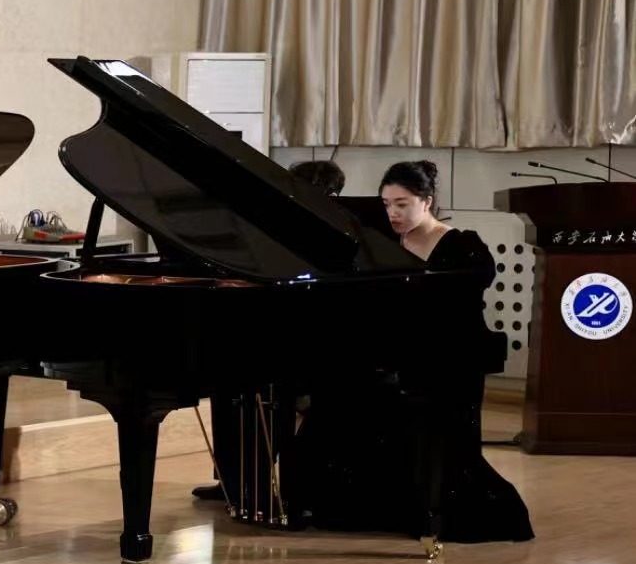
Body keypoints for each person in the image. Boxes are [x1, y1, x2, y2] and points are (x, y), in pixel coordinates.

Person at [281, 160, 534, 542]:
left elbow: (456, 319)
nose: (393, 213)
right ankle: (342, 504)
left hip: (447, 361)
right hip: (395, 354)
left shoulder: (463, 246)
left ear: (426, 201)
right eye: (386, 204)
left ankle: (430, 509)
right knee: (334, 398)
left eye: (402, 204)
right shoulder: (379, 244)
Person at [193, 159, 347, 503]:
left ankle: (264, 482)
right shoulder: (273, 232)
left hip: (316, 345)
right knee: (225, 386)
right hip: (272, 333)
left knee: (271, 390)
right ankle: (232, 481)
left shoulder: (341, 238)